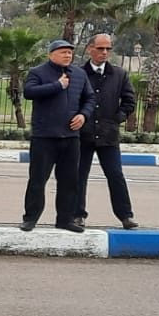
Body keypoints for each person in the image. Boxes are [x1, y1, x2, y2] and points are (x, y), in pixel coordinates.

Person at [20, 39, 96, 233]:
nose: (67, 55)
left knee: (69, 181)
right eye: (63, 52)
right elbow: (29, 92)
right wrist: (57, 85)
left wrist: (83, 115)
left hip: (71, 138)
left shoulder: (79, 74)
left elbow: (89, 98)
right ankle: (30, 218)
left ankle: (65, 219)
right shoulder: (38, 72)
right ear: (51, 54)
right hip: (44, 136)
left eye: (70, 53)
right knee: (38, 180)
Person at [74, 33, 138, 230]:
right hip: (82, 134)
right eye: (100, 48)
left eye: (108, 49)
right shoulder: (78, 73)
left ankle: (125, 215)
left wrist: (117, 118)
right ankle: (77, 215)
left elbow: (129, 101)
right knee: (78, 175)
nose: (104, 52)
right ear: (90, 48)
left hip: (108, 135)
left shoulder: (119, 75)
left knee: (115, 174)